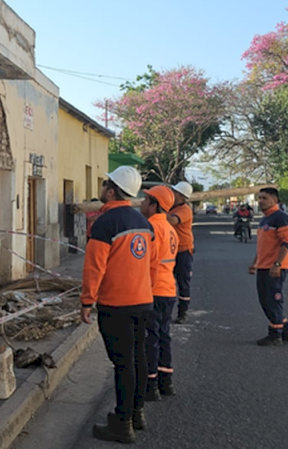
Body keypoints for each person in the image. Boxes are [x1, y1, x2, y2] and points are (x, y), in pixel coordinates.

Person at [81, 166, 152, 443]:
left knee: (123, 364)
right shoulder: (143, 223)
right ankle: (137, 413)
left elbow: (94, 267)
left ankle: (121, 423)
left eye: (104, 184)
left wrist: (87, 300)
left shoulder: (105, 223)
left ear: (111, 190)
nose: (101, 188)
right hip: (143, 301)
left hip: (116, 304)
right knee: (138, 358)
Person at [140, 185, 179, 400]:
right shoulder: (170, 229)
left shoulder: (151, 228)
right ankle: (166, 381)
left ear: (154, 205)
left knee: (150, 339)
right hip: (168, 289)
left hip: (154, 291)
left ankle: (151, 384)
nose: (142, 204)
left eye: (146, 200)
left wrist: (144, 290)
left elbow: (151, 264)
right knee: (164, 336)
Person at [248, 187, 288, 346]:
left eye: (264, 198)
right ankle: (286, 331)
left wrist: (277, 264)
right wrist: (255, 263)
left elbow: (287, 242)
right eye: (259, 198)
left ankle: (275, 334)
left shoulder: (280, 217)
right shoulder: (264, 219)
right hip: (263, 265)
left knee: (272, 300)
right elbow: (262, 246)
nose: (260, 201)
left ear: (274, 200)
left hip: (275, 267)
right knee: (264, 300)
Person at [166, 181, 194, 324]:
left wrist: (159, 209)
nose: (172, 194)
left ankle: (182, 313)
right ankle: (166, 310)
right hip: (169, 250)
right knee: (166, 281)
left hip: (183, 250)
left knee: (183, 282)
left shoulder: (184, 209)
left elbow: (171, 221)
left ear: (181, 196)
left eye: (175, 192)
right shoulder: (172, 207)